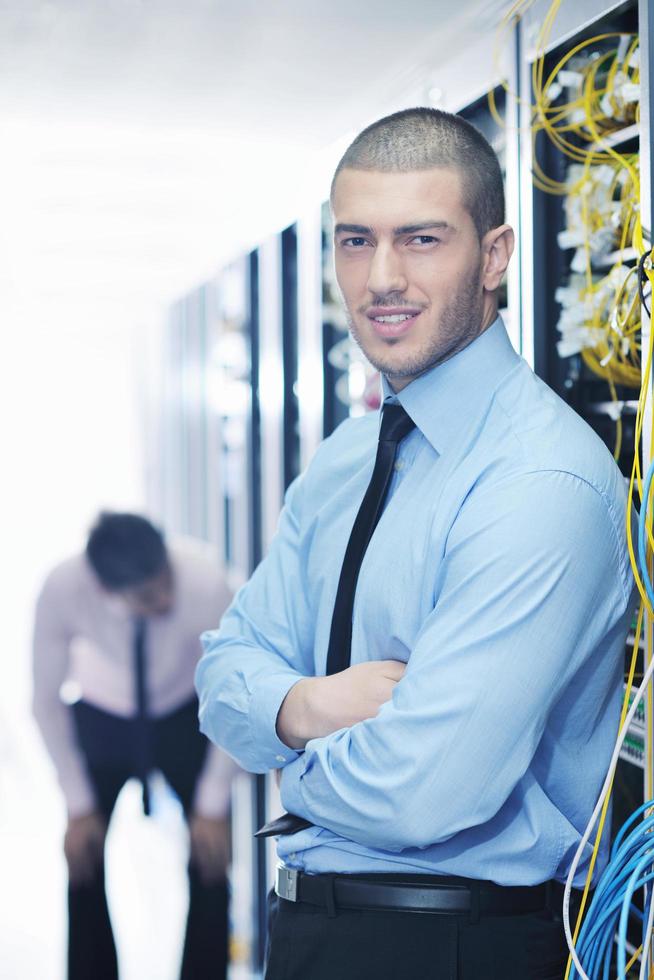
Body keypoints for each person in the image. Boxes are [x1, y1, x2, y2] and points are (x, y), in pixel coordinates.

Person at [195, 108, 634, 979]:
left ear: (497, 255)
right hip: (315, 934)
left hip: (454, 945)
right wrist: (313, 707)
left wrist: (291, 772)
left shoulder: (540, 481)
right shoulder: (348, 458)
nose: (382, 277)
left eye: (421, 239)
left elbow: (424, 790)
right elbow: (221, 673)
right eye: (355, 242)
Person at [33, 512, 236, 980]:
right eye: (148, 595)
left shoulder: (205, 581)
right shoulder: (64, 588)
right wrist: (78, 805)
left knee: (210, 857)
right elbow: (44, 701)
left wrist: (212, 805)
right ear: (107, 592)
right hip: (103, 711)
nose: (165, 598)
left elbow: (232, 695)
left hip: (183, 709)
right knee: (83, 857)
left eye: (166, 582)